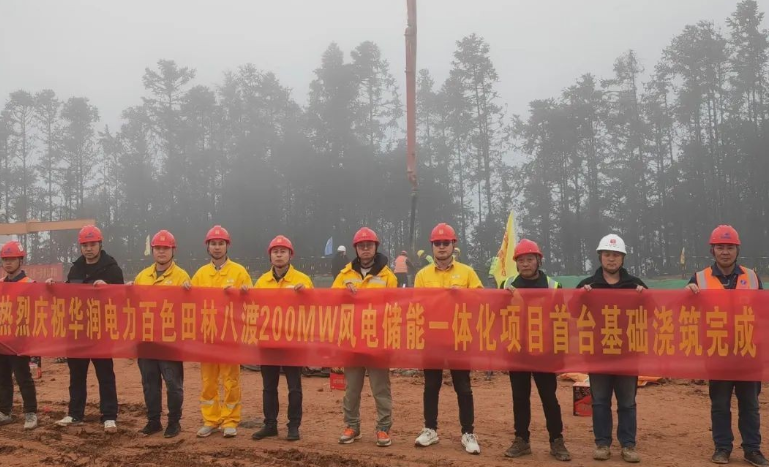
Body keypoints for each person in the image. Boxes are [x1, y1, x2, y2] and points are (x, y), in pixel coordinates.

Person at [686, 225, 768, 467]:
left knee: (750, 406)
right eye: (720, 247)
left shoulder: (752, 277)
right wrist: (686, 294)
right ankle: (722, 448)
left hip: (747, 352)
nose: (725, 252)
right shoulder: (699, 279)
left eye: (729, 247)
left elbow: (762, 313)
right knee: (720, 404)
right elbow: (686, 312)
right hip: (718, 352)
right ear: (712, 250)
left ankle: (752, 449)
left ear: (737, 250)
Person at [413, 223, 482, 455]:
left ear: (454, 245)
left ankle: (468, 433)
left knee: (463, 387)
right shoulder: (422, 275)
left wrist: (463, 294)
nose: (441, 247)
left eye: (446, 243)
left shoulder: (467, 272)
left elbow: (482, 300)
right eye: (437, 243)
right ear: (432, 247)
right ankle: (430, 429)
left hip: (459, 337)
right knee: (431, 386)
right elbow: (417, 305)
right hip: (432, 338)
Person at [577, 234, 645, 463]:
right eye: (607, 254)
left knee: (627, 402)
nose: (611, 259)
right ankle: (602, 443)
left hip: (628, 353)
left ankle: (628, 445)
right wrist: (581, 298)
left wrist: (645, 298)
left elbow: (656, 312)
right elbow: (570, 314)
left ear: (623, 258)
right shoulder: (588, 285)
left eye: (616, 255)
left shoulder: (635, 285)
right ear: (600, 257)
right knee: (600, 401)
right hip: (598, 354)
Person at [501, 239, 570, 461]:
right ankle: (521, 440)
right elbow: (497, 316)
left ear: (538, 260)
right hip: (518, 350)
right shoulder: (507, 285)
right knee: (520, 398)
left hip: (544, 352)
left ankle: (557, 441)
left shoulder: (552, 285)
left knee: (549, 398)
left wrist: (558, 354)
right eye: (521, 260)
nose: (525, 264)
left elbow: (562, 320)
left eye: (530, 259)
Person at [52, 225, 123, 433]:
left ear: (100, 244)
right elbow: (67, 294)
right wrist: (52, 287)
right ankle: (75, 413)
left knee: (105, 375)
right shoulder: (76, 268)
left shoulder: (112, 269)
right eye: (85, 245)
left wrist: (108, 288)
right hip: (78, 330)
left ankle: (109, 416)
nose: (89, 249)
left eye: (92, 244)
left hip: (101, 331)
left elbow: (122, 299)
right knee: (76, 375)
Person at [184, 225, 252, 438]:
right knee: (208, 381)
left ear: (227, 246)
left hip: (230, 335)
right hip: (208, 335)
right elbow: (190, 302)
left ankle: (230, 420)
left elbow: (252, 301)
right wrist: (186, 289)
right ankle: (211, 420)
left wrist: (244, 294)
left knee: (231, 380)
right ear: (208, 247)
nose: (217, 247)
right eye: (213, 244)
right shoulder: (201, 274)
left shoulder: (239, 272)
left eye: (220, 243)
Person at [332, 227, 397, 447]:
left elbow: (395, 307)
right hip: (352, 339)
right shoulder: (344, 275)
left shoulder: (388, 276)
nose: (366, 249)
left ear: (376, 248)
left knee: (381, 389)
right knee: (351, 389)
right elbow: (331, 302)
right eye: (361, 246)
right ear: (356, 249)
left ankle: (383, 429)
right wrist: (343, 291)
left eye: (369, 245)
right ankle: (352, 426)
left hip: (378, 340)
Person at [251, 235, 312, 442]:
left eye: (283, 251)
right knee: (269, 386)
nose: (279, 255)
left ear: (290, 255)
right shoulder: (261, 282)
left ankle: (293, 425)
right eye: (275, 251)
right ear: (270, 256)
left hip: (293, 343)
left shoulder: (302, 280)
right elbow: (253, 309)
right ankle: (270, 424)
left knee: (294, 386)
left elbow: (315, 309)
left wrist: (306, 295)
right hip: (268, 342)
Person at [130, 230, 189, 438]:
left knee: (173, 383)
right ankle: (153, 420)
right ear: (152, 251)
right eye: (158, 248)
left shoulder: (182, 277)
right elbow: (132, 305)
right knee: (150, 383)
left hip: (170, 341)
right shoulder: (142, 276)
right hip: (146, 340)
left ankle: (174, 422)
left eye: (166, 248)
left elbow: (189, 308)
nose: (161, 252)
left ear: (173, 250)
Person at [0, 241, 38, 430]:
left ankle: (30, 413)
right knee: (3, 378)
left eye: (12, 259)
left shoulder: (29, 284)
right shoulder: (0, 285)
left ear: (20, 260)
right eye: (5, 259)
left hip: (20, 341)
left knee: (23, 378)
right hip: (2, 340)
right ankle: (5, 411)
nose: (7, 263)